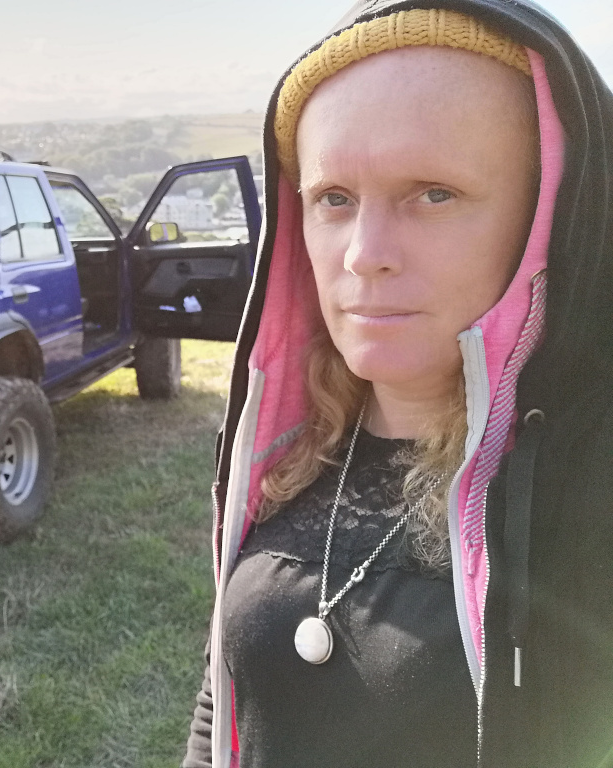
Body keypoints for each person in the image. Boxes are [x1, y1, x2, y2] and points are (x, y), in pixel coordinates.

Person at [182, 1, 613, 766]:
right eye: (334, 200)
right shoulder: (292, 445)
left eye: (433, 193)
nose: (363, 254)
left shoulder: (591, 485)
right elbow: (228, 696)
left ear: (549, 221)